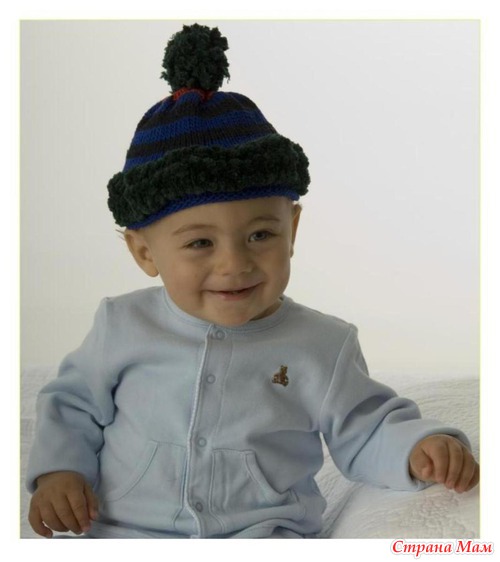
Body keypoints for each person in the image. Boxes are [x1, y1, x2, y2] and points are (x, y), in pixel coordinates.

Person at [26, 23, 479, 539]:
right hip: (126, 533)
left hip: (264, 535)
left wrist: (418, 449)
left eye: (260, 235)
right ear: (144, 252)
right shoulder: (123, 324)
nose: (234, 263)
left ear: (293, 230)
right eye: (200, 243)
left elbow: (366, 426)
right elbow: (73, 405)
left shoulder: (322, 344)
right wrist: (59, 472)